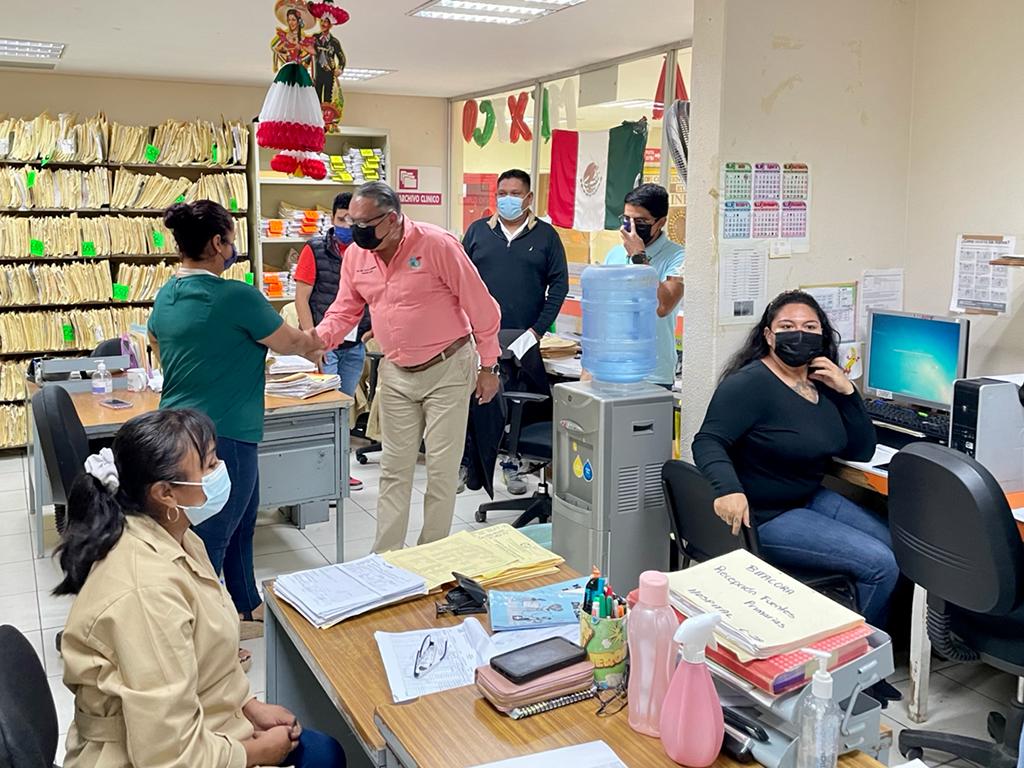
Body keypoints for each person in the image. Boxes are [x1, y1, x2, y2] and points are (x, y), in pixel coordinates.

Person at [54, 409, 346, 768]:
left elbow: (205, 655)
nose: (221, 470)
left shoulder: (178, 538)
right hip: (147, 756)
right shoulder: (146, 592)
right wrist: (257, 753)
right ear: (165, 493)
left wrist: (248, 706)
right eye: (209, 465)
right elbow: (168, 756)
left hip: (201, 726)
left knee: (324, 752)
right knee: (323, 757)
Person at [149, 200, 323, 641]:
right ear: (217, 242)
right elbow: (289, 342)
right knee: (212, 535)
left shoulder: (167, 294)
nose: (233, 248)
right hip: (224, 435)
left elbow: (156, 341)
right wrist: (319, 338)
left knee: (242, 521)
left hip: (178, 431)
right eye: (230, 239)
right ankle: (204, 634)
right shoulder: (236, 296)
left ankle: (246, 605)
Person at [691, 290, 898, 627]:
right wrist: (728, 489)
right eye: (787, 326)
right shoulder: (749, 384)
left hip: (807, 497)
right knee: (880, 564)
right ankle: (850, 653)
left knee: (895, 546)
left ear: (822, 335)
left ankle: (864, 639)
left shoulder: (822, 382)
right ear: (769, 335)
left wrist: (848, 391)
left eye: (810, 327)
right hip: (765, 514)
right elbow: (708, 441)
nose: (799, 334)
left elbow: (860, 450)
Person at [316, 182, 501, 552]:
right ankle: (386, 557)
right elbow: (345, 309)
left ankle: (430, 554)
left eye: (365, 223)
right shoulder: (357, 256)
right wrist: (318, 339)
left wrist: (489, 366)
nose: (357, 231)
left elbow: (482, 307)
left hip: (447, 368)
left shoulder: (437, 245)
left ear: (392, 219)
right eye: (352, 222)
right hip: (398, 372)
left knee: (441, 470)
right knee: (394, 470)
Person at [461, 169, 568, 494]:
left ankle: (513, 464)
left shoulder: (546, 236)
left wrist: (536, 332)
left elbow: (559, 287)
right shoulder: (478, 232)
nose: (507, 199)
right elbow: (460, 281)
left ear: (529, 198)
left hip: (524, 341)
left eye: (515, 194)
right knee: (475, 403)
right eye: (502, 193)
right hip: (479, 339)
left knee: (518, 406)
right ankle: (467, 465)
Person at [295, 192, 370, 491]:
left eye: (354, 220)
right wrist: (311, 340)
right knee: (324, 410)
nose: (348, 225)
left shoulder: (368, 250)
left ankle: (340, 472)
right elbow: (301, 299)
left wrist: (371, 330)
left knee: (343, 410)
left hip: (355, 345)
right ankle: (321, 476)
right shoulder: (314, 250)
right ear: (332, 218)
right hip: (325, 346)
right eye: (342, 219)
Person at [603, 183, 684, 387]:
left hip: (652, 374)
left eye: (640, 221)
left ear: (660, 222)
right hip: (610, 368)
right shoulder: (614, 254)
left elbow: (663, 306)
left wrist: (639, 257)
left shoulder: (679, 257)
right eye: (626, 219)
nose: (631, 227)